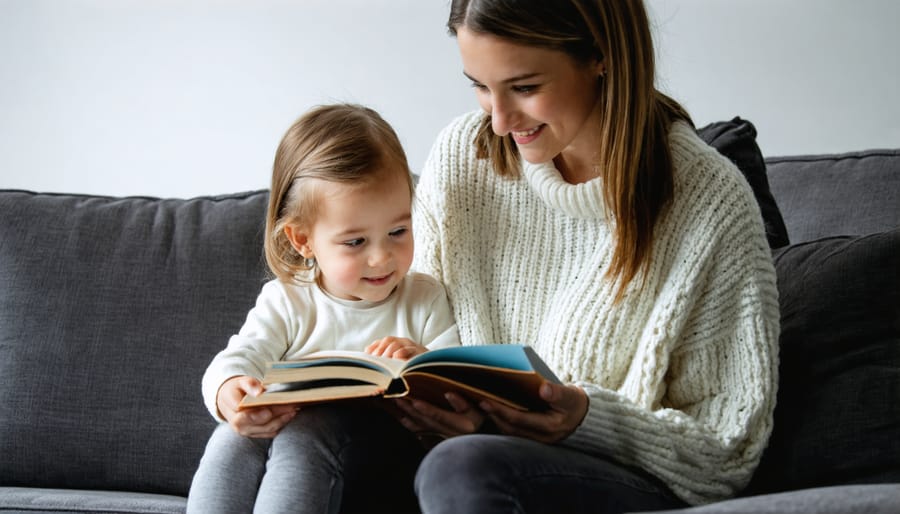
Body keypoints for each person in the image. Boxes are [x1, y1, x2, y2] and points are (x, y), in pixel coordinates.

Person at [396, 0, 780, 512]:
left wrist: (588, 420)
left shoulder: (708, 200)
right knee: (309, 436)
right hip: (459, 454)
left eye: (525, 88)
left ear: (600, 55)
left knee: (463, 466)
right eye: (481, 87)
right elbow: (422, 325)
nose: (499, 121)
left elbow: (727, 448)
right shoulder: (463, 158)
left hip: (615, 477)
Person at [186, 103, 459, 514]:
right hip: (307, 459)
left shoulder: (425, 298)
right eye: (355, 242)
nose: (382, 257)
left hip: (386, 464)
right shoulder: (289, 300)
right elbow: (238, 357)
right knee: (234, 436)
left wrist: (425, 365)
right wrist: (231, 392)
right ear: (303, 241)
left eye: (398, 231)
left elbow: (459, 388)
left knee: (305, 433)